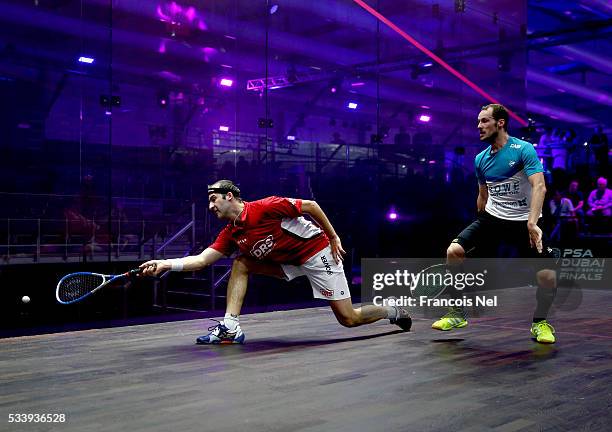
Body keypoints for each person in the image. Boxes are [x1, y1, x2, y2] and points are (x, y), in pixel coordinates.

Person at [140, 180, 411, 344]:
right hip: (289, 262)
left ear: (229, 196)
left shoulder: (266, 207)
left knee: (349, 319)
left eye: (214, 200)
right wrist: (166, 263)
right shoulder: (231, 233)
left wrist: (333, 237)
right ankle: (231, 327)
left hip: (317, 253)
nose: (211, 207)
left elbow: (311, 206)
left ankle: (392, 311)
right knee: (241, 263)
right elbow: (201, 261)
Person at [434, 104, 557, 344]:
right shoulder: (480, 159)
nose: (479, 126)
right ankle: (456, 313)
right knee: (454, 251)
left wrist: (532, 223)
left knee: (547, 277)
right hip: (493, 218)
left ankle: (540, 322)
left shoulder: (523, 149)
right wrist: (478, 226)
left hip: (524, 221)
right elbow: (482, 195)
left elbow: (539, 186)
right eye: (478, 122)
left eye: (484, 121)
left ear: (500, 123)